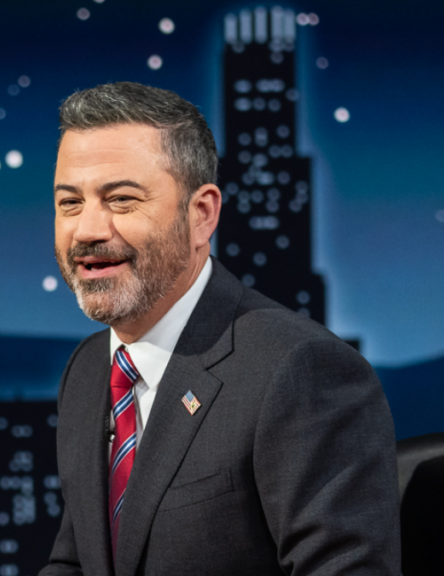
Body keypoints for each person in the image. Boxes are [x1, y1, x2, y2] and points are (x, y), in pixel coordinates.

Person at [40, 82, 400, 576]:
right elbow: (75, 563)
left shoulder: (301, 369)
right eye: (70, 203)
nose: (87, 230)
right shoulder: (86, 371)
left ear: (201, 215)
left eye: (121, 199)